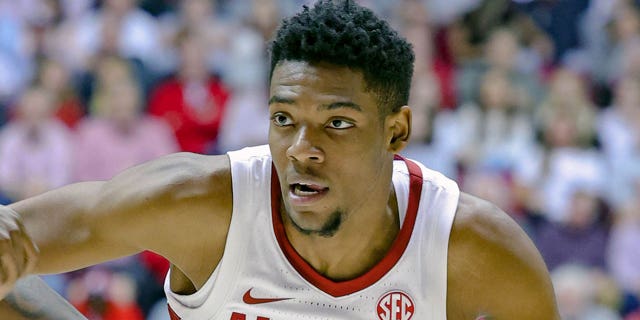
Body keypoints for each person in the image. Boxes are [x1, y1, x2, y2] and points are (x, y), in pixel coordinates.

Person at [0, 1, 559, 319]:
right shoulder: (205, 204)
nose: (301, 149)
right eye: (284, 119)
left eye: (337, 124)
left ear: (397, 132)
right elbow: (18, 236)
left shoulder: (474, 248)